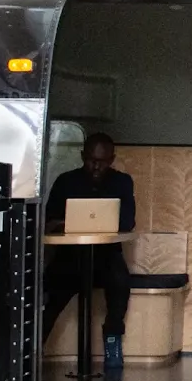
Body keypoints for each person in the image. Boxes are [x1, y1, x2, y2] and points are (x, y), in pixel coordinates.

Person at [43, 132, 136, 367]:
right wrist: (76, 223)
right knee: (49, 294)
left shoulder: (122, 182)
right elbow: (49, 221)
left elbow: (127, 222)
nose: (96, 167)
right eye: (92, 160)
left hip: (107, 256)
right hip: (69, 255)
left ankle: (112, 338)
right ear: (83, 156)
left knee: (120, 283)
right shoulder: (66, 181)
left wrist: (74, 222)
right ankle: (32, 351)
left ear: (112, 160)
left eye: (102, 162)